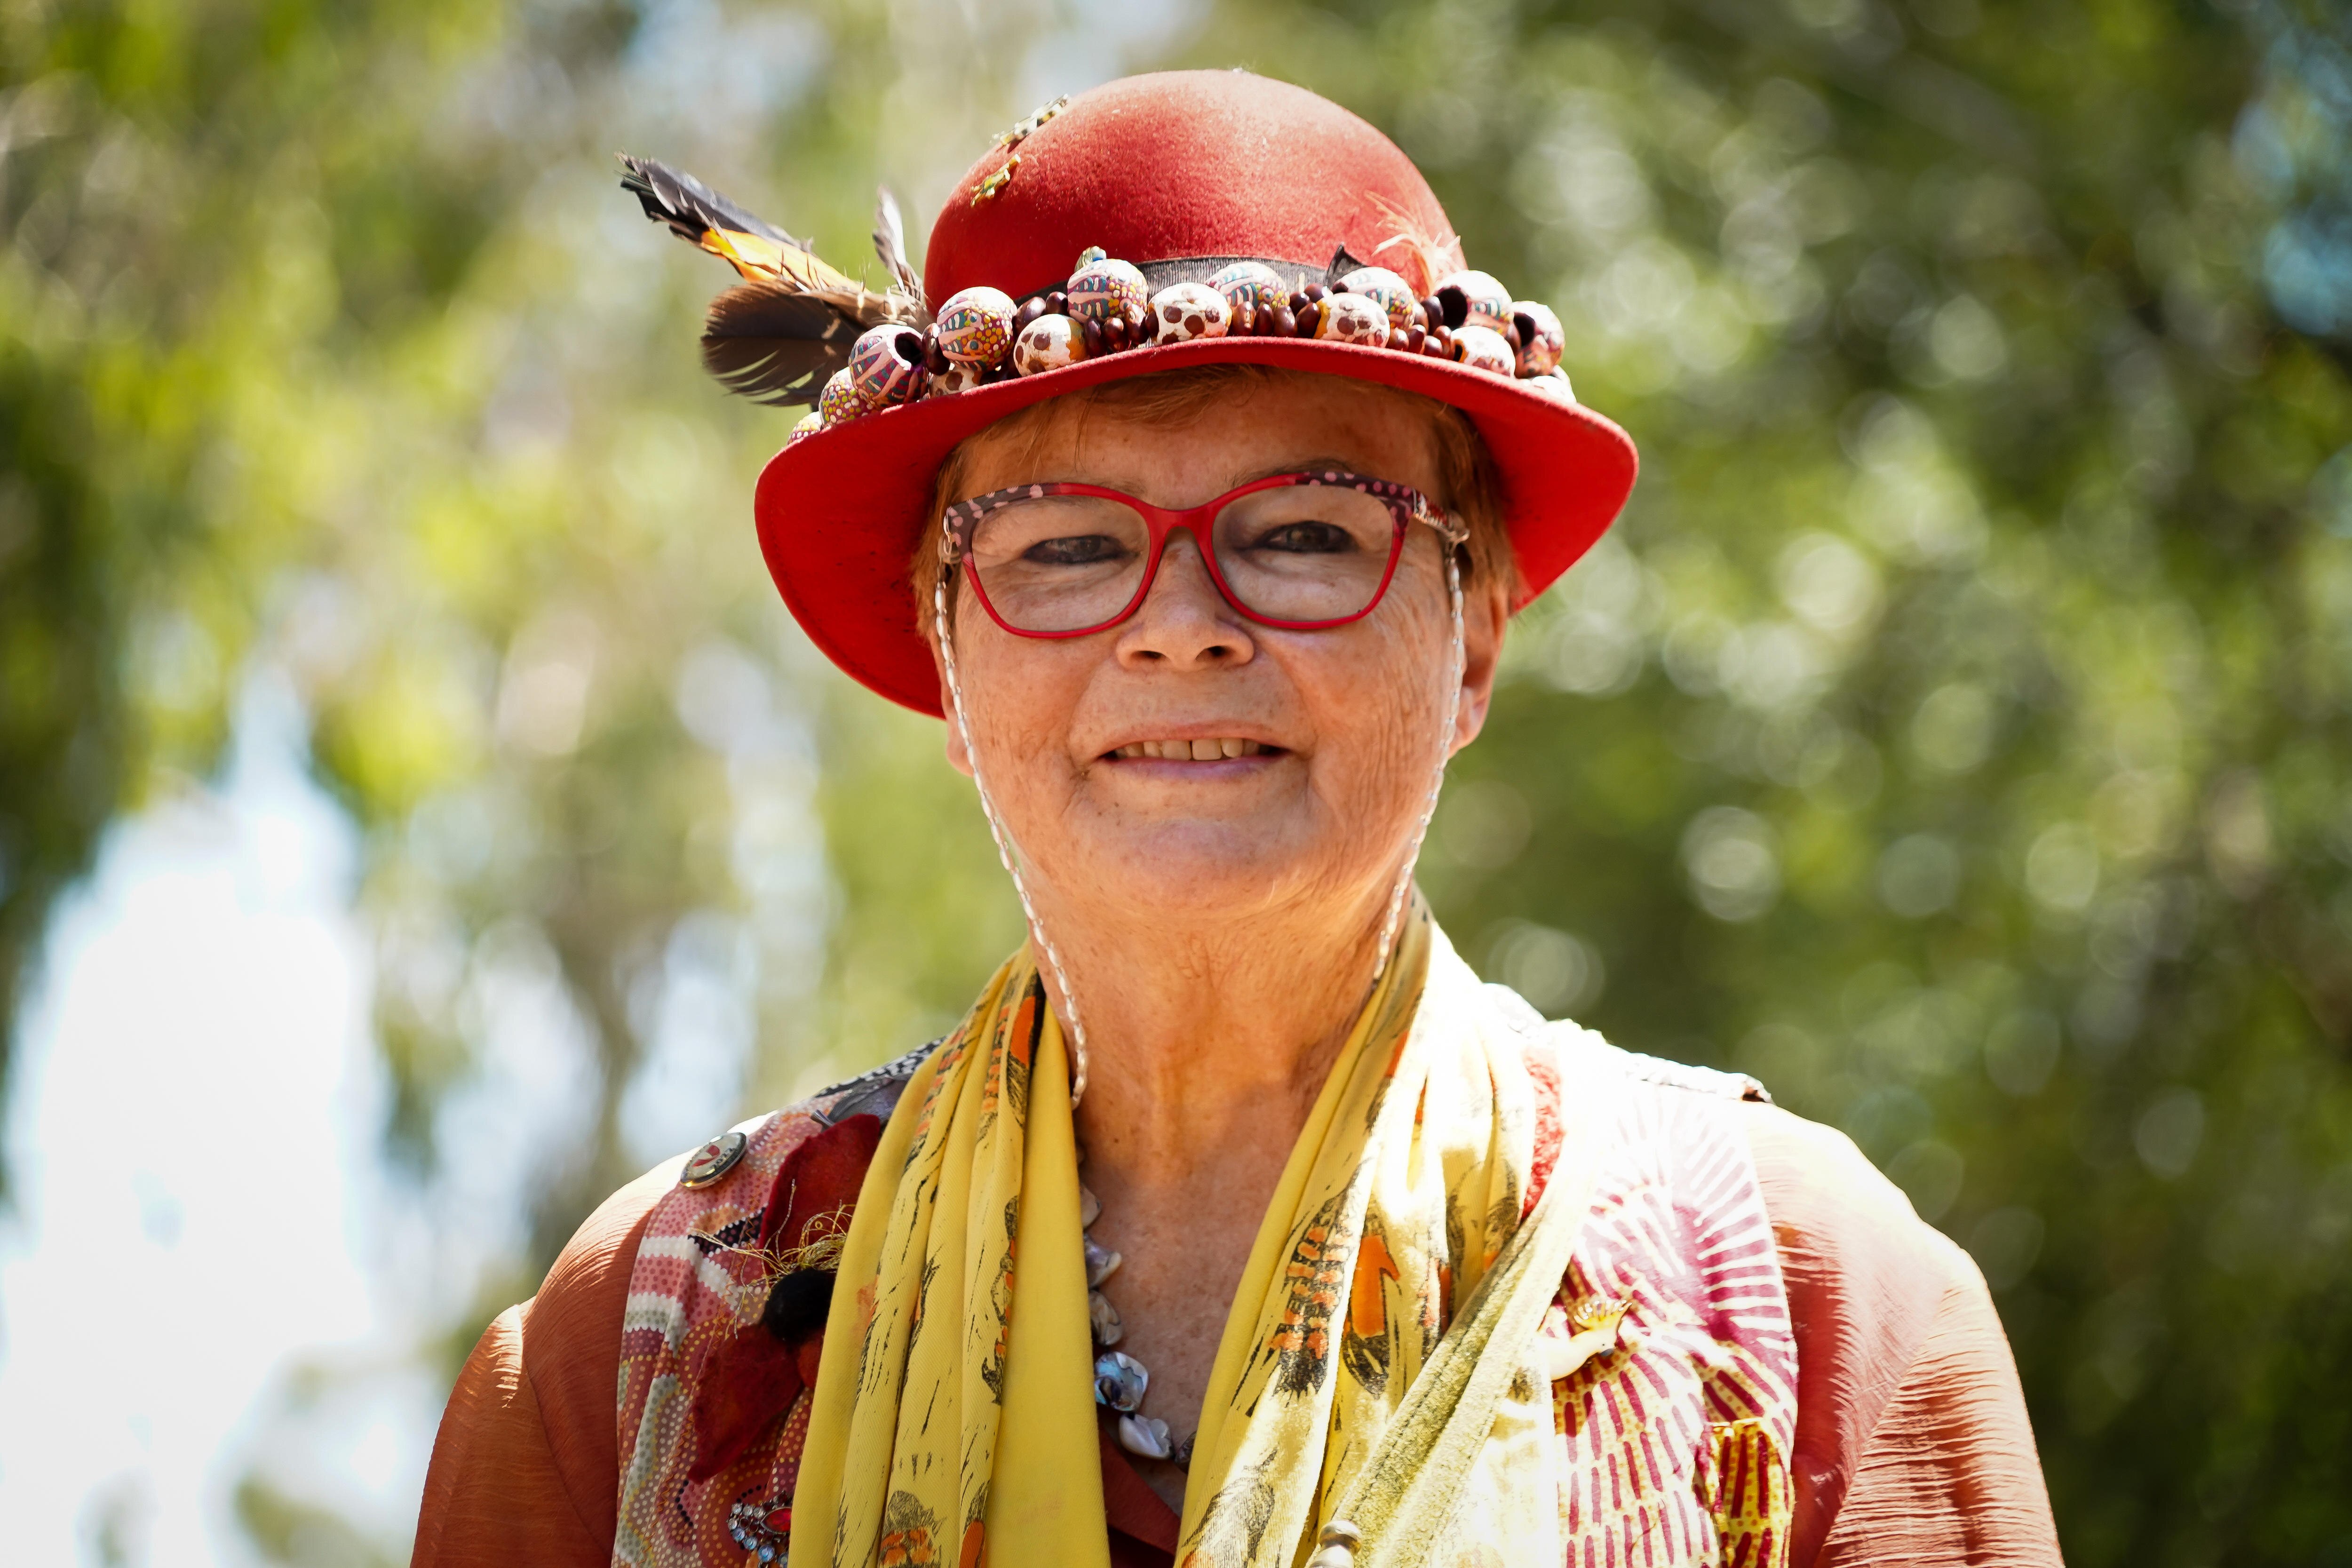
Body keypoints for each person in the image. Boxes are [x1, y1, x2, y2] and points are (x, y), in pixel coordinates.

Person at [413, 71, 2062, 1568]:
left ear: (1473, 634)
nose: (1182, 621)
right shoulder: (638, 1354)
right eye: (1060, 545)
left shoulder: (1813, 1315)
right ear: (947, 656)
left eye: (1305, 530)